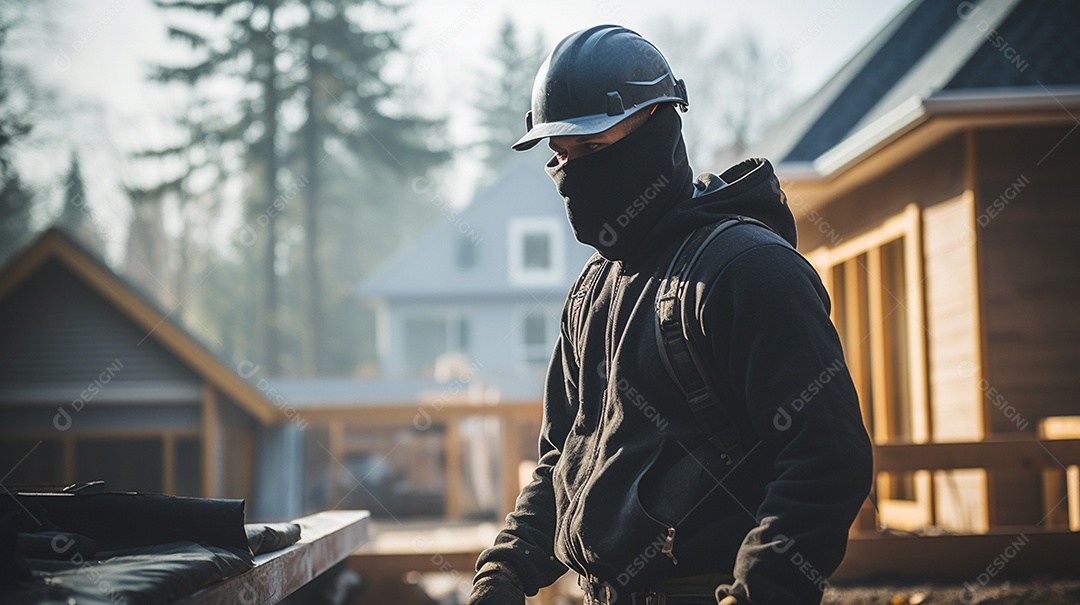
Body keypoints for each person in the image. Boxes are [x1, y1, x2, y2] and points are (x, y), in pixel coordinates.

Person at [467, 24, 873, 605]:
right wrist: (504, 572)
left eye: (593, 148)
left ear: (658, 126)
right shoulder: (590, 293)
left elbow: (827, 459)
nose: (570, 174)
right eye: (560, 156)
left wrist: (759, 594)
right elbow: (564, 459)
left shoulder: (748, 271)